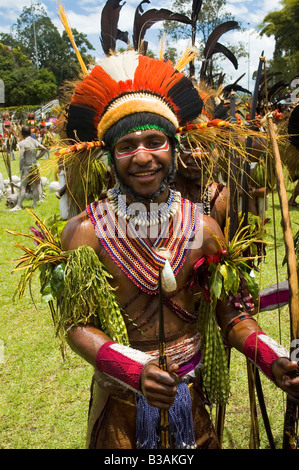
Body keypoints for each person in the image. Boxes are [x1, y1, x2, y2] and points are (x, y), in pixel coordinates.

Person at [28, 51, 299, 449]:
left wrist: (270, 357)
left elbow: (229, 314)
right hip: (120, 410)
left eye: (155, 142)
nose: (142, 156)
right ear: (109, 156)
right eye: (127, 145)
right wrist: (133, 370)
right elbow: (77, 326)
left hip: (190, 405)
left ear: (173, 149)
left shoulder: (202, 228)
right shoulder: (86, 232)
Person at [10, 126, 47, 211]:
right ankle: (34, 204)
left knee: (23, 186)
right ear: (30, 133)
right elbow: (44, 149)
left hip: (27, 167)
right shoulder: (34, 141)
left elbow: (22, 156)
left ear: (22, 134)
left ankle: (19, 205)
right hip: (35, 166)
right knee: (35, 186)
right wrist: (36, 158)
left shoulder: (23, 143)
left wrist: (20, 168)